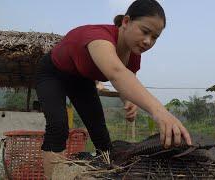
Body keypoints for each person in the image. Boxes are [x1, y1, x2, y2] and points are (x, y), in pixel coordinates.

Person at [35, 0, 192, 178]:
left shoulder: (133, 56)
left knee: (100, 132)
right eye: (145, 31)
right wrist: (161, 112)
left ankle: (107, 175)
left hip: (81, 79)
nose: (148, 41)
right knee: (58, 126)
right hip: (52, 73)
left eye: (155, 37)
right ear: (126, 22)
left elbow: (127, 82)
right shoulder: (98, 38)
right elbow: (117, 73)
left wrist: (129, 100)